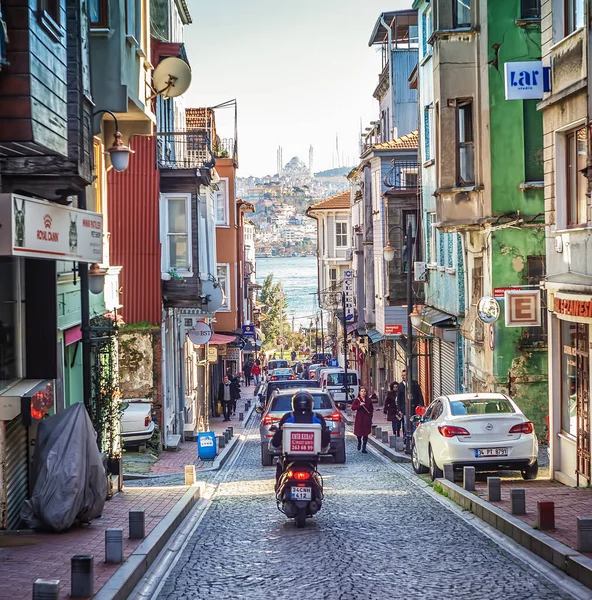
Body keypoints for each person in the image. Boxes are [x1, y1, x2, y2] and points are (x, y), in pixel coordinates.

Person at [271, 391, 331, 481]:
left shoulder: (287, 417)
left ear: (294, 404)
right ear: (311, 403)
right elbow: (325, 439)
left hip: (289, 458)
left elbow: (277, 439)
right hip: (312, 458)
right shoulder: (317, 418)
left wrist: (274, 444)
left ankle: (278, 486)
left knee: (280, 466)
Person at [397, 369, 424, 438]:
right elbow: (399, 398)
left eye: (404, 375)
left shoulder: (414, 384)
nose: (403, 377)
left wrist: (421, 405)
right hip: (404, 408)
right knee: (406, 423)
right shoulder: (400, 385)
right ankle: (407, 437)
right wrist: (399, 409)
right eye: (402, 375)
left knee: (414, 424)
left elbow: (419, 394)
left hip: (414, 407)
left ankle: (415, 437)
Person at [351, 386, 373, 453]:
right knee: (359, 433)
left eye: (364, 391)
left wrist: (370, 416)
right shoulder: (357, 400)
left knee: (365, 434)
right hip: (359, 418)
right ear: (359, 392)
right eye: (362, 391)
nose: (363, 393)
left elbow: (371, 409)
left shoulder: (368, 400)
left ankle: (364, 447)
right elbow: (353, 407)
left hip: (366, 418)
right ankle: (359, 442)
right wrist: (359, 405)